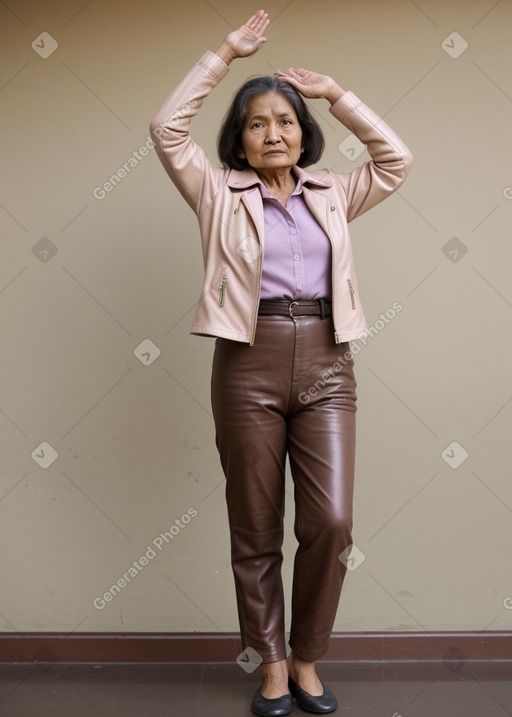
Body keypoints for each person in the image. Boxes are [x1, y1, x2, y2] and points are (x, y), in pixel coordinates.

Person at [150, 9, 412, 716]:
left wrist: (335, 93)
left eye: (287, 121)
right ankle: (269, 662)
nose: (274, 132)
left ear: (304, 133)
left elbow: (396, 159)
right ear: (240, 137)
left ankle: (306, 657)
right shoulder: (216, 193)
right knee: (255, 523)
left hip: (328, 361)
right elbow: (166, 129)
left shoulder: (333, 191)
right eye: (258, 122)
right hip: (247, 362)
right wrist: (225, 55)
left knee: (331, 522)